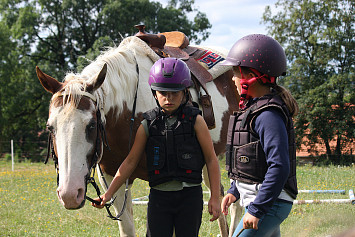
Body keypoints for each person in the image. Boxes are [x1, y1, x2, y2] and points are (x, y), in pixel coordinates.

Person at [92, 58, 221, 237]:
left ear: (184, 92)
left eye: (174, 93)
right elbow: (130, 162)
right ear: (154, 93)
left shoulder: (196, 121)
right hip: (160, 199)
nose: (168, 98)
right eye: (163, 93)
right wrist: (108, 194)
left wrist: (215, 197)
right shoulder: (147, 125)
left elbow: (211, 160)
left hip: (190, 197)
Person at [220, 34, 299, 237]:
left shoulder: (268, 116)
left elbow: (279, 166)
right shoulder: (253, 110)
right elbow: (253, 161)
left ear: (251, 78)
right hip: (263, 202)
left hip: (269, 204)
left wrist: (256, 210)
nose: (232, 78)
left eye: (236, 73)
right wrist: (234, 190)